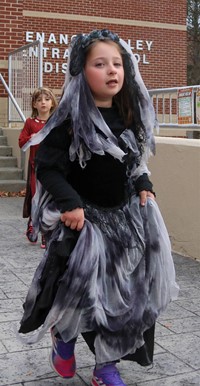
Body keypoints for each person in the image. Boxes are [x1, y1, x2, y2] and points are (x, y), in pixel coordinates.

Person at [17, 29, 179, 386]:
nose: (112, 71)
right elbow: (49, 167)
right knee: (78, 293)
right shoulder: (68, 120)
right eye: (100, 64)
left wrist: (144, 186)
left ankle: (106, 367)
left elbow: (135, 163)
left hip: (124, 222)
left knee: (123, 298)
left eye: (117, 64)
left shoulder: (130, 115)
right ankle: (65, 339)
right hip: (82, 224)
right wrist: (70, 204)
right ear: (81, 71)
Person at [18, 87, 58, 248]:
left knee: (50, 200)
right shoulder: (30, 123)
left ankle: (45, 231)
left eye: (47, 99)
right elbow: (21, 143)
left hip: (53, 168)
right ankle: (35, 226)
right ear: (34, 104)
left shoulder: (56, 122)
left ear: (52, 103)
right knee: (37, 198)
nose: (43, 102)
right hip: (37, 168)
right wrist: (30, 138)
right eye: (39, 100)